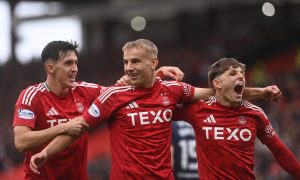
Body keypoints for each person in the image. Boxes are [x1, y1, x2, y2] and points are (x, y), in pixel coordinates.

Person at [29, 39, 282, 179]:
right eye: (126, 62)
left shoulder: (172, 91)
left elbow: (219, 92)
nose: (128, 67)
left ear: (154, 63)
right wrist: (46, 153)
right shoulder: (112, 96)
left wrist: (259, 92)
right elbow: (78, 127)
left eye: (135, 61)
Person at [13, 40, 185, 180]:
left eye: (75, 63)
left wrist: (156, 73)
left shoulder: (85, 91)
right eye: (68, 64)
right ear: (50, 68)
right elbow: (21, 142)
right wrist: (64, 127)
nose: (75, 69)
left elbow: (122, 93)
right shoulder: (31, 96)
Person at [174, 58, 300, 179]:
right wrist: (158, 72)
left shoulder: (255, 114)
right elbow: (161, 106)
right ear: (217, 83)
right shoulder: (198, 109)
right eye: (233, 73)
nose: (241, 76)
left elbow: (280, 152)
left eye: (242, 73)